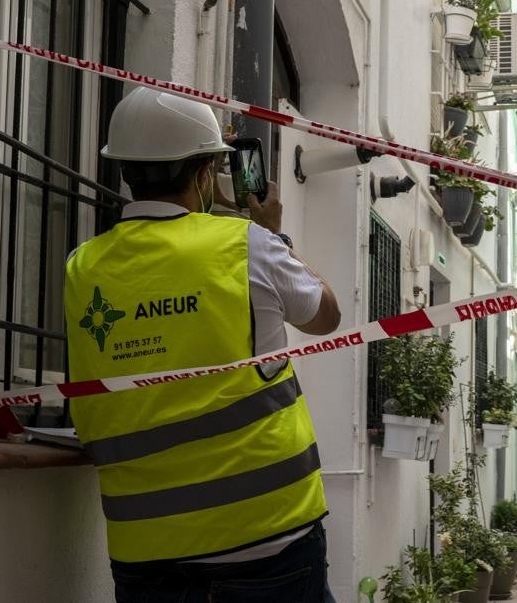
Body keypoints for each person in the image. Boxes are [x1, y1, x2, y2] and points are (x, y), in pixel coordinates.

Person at [64, 87, 342, 601]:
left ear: (125, 170)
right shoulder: (245, 244)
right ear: (202, 175)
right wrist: (273, 234)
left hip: (146, 552)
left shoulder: (82, 267)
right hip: (266, 538)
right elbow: (326, 315)